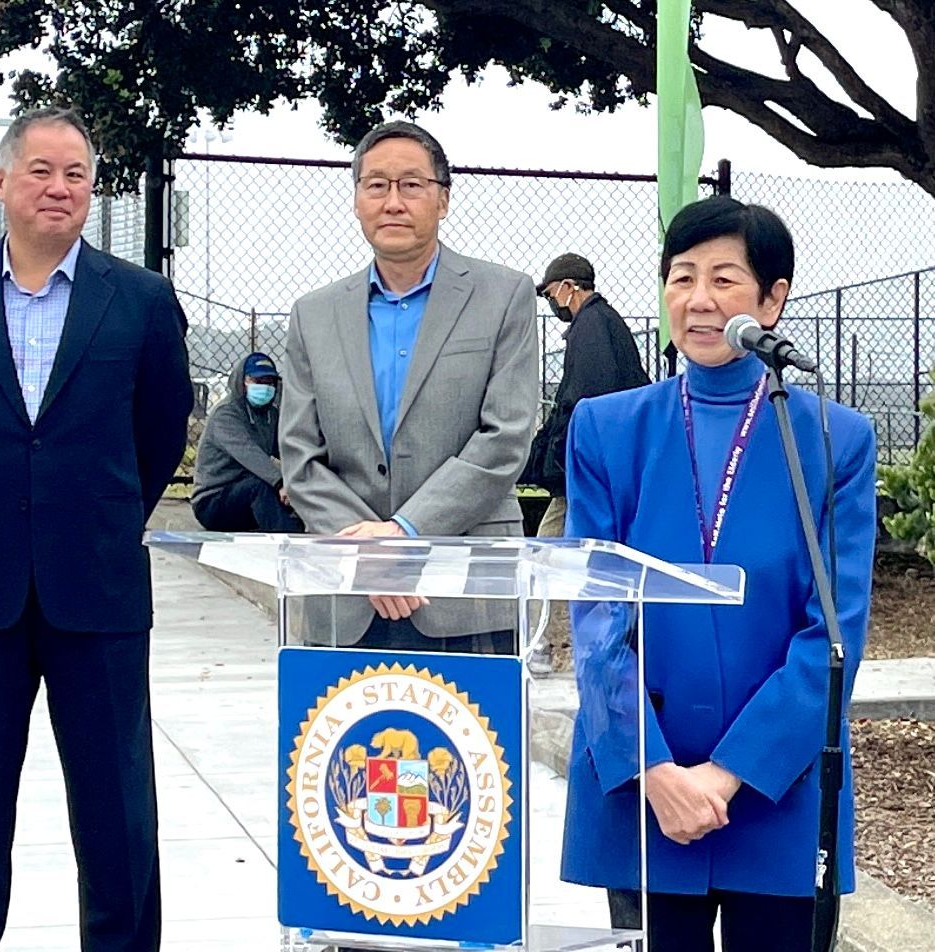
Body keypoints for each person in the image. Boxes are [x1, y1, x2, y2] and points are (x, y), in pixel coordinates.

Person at [0, 106, 192, 952]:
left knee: (117, 815)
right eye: (40, 170)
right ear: (1, 181)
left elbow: (159, 432)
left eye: (76, 174)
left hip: (96, 593)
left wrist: (93, 516)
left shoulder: (138, 301)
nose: (59, 187)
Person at [560, 196, 875, 951]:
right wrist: (657, 770)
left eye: (724, 280)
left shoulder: (832, 438)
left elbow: (833, 629)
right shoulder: (606, 429)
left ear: (772, 299)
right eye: (681, 277)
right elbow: (596, 618)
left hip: (774, 784)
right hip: (643, 786)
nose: (698, 300)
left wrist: (728, 773)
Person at [279, 120, 538, 654]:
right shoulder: (313, 315)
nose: (392, 201)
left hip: (463, 594)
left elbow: (506, 436)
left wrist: (403, 533)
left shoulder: (504, 295)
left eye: (411, 185)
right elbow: (300, 456)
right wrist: (369, 554)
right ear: (356, 200)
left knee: (473, 739)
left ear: (443, 200)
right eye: (376, 185)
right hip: (346, 595)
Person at [527, 252, 650, 536]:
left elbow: (584, 398)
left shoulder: (590, 327)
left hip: (589, 463)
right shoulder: (604, 320)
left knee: (551, 543)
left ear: (569, 287)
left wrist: (554, 451)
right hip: (610, 459)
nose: (552, 302)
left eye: (550, 294)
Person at [191, 351, 304, 532]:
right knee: (259, 485)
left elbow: (286, 449)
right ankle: (292, 538)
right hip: (214, 501)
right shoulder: (226, 414)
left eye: (270, 382)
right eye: (257, 381)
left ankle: (302, 526)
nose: (265, 387)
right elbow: (249, 453)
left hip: (247, 497)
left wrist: (308, 472)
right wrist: (280, 483)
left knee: (283, 485)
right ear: (242, 382)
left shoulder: (271, 415)